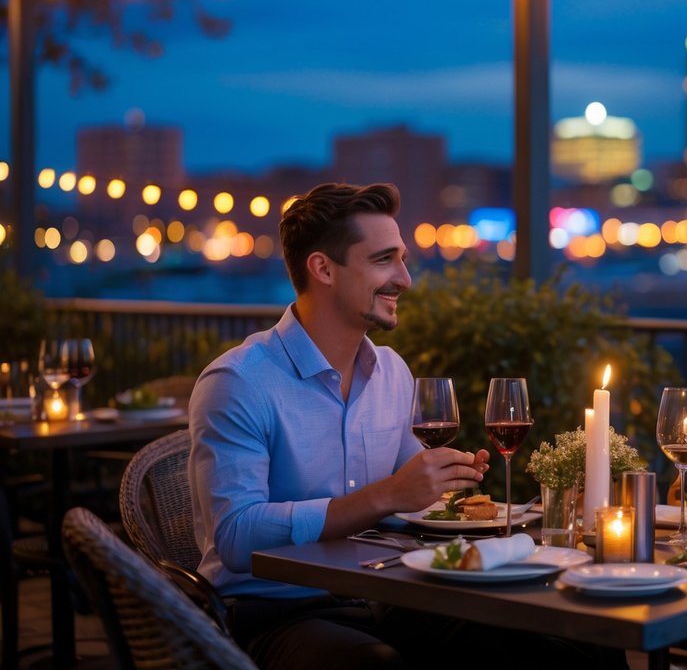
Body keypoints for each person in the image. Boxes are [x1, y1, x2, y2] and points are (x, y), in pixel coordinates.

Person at [189, 182, 493, 668]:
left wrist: (451, 486)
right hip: (273, 613)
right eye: (384, 260)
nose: (405, 279)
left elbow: (408, 503)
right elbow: (237, 537)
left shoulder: (391, 371)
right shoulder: (239, 382)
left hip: (384, 593)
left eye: (403, 259)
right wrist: (387, 494)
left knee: (549, 643)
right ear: (323, 268)